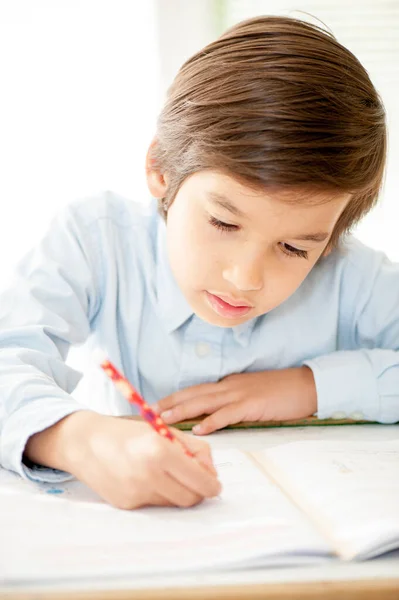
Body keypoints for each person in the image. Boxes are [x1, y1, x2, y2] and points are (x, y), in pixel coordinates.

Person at [0, 16, 397, 510]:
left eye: (296, 249)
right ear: (160, 170)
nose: (245, 278)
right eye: (224, 224)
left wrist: (309, 388)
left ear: (334, 236)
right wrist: (77, 438)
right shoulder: (96, 239)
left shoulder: (351, 275)